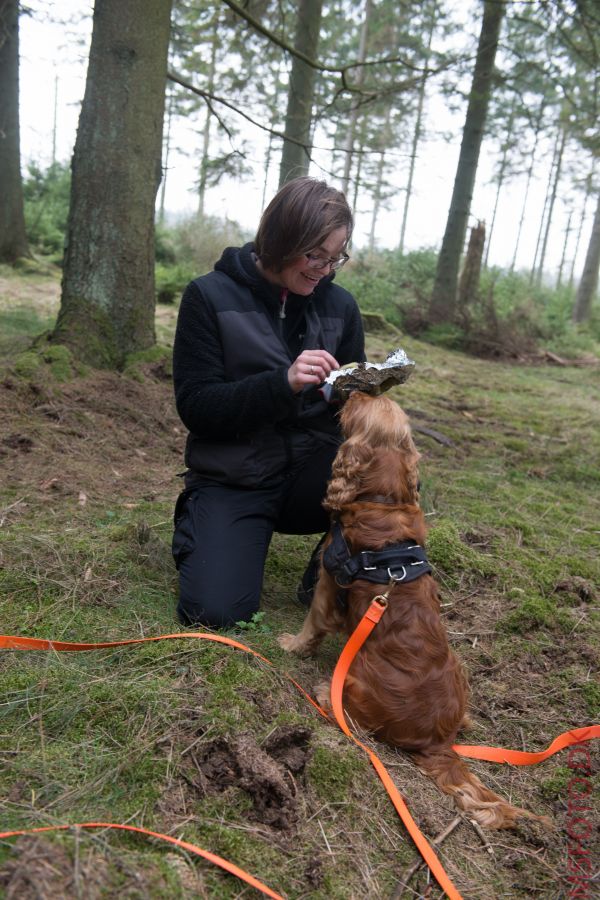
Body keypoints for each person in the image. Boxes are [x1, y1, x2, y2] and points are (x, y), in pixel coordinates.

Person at [171, 176, 366, 628]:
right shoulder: (208, 296)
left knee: (386, 466)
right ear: (280, 240)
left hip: (310, 476)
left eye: (336, 257)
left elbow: (349, 407)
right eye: (314, 255)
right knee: (215, 613)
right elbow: (197, 406)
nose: (324, 269)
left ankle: (329, 571)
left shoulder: (341, 306)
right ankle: (200, 524)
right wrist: (283, 383)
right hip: (235, 477)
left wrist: (362, 391)